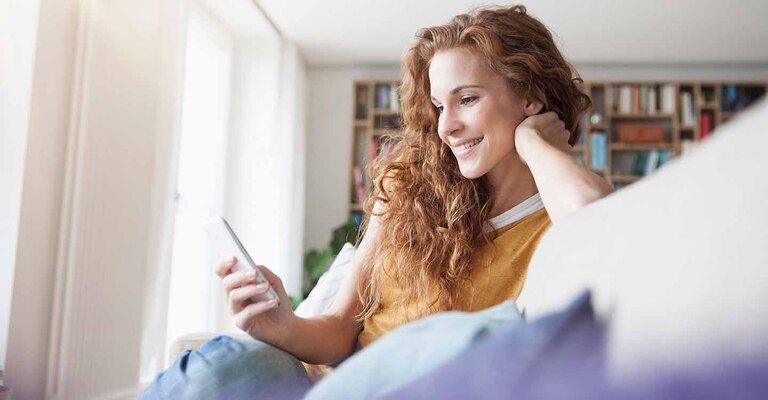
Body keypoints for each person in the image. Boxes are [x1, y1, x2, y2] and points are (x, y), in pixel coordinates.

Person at [141, 4, 613, 399]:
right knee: (219, 370)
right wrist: (282, 324)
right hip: (320, 385)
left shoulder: (561, 206)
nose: (446, 127)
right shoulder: (409, 189)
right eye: (440, 106)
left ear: (529, 96)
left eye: (467, 99)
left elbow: (598, 226)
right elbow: (340, 329)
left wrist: (534, 143)